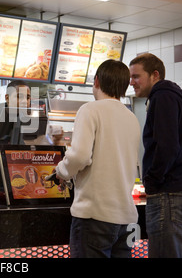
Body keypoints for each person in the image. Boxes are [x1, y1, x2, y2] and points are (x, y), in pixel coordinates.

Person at [53, 59, 141, 258]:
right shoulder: (131, 117)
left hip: (95, 216)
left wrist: (61, 172)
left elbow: (79, 156)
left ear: (97, 81)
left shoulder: (90, 110)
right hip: (126, 220)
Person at [129, 52, 182, 258]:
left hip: (170, 193)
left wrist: (151, 181)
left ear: (155, 75)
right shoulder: (174, 98)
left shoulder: (162, 97)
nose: (131, 82)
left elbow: (167, 147)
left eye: (136, 76)